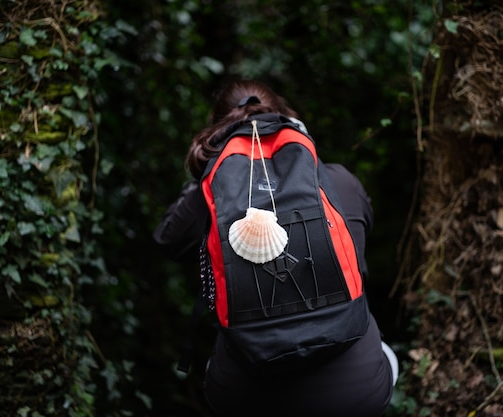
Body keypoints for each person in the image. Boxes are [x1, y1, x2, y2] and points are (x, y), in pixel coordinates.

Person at [154, 80, 397, 417]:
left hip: (245, 394)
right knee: (387, 355)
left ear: (218, 132)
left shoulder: (208, 199)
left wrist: (209, 175)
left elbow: (167, 240)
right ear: (288, 121)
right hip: (357, 392)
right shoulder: (339, 181)